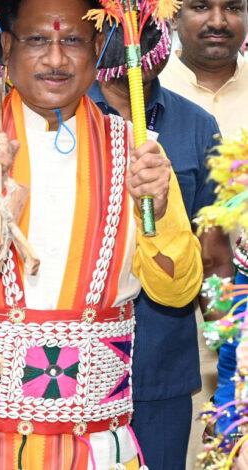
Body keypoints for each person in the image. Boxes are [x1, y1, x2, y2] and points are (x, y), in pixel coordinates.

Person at [0, 0, 203, 468]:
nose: (55, 59)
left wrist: (156, 208)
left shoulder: (139, 155)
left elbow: (179, 291)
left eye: (72, 40)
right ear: (7, 48)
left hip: (97, 446)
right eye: (37, 41)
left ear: (98, 48)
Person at [87, 21, 233, 469]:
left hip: (161, 363)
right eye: (111, 29)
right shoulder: (61, 116)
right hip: (74, 366)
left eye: (149, 32)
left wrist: (232, 360)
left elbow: (215, 256)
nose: (132, 43)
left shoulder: (196, 124)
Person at [159, 0, 248, 137]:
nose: (217, 23)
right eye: (201, 7)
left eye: (232, 8)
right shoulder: (147, 89)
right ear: (175, 17)